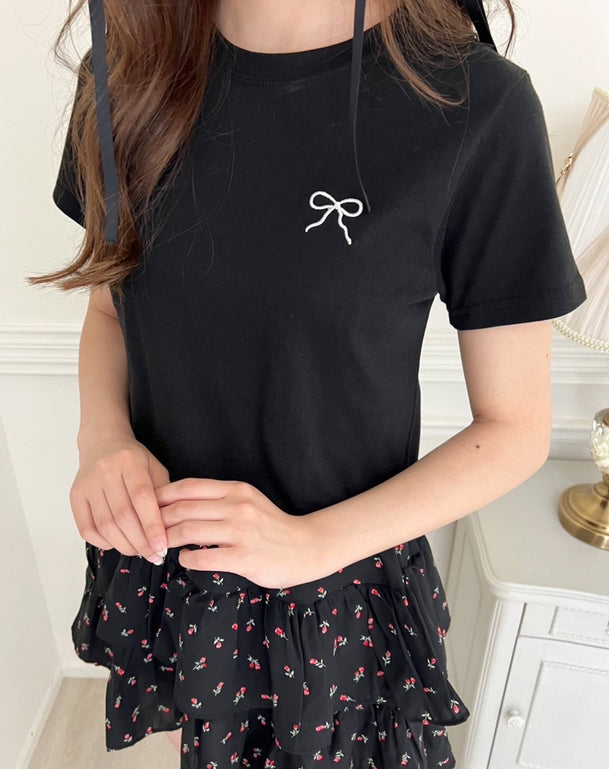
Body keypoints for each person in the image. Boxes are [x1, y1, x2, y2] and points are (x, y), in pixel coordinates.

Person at [29, 0, 587, 767]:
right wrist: (103, 438)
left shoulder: (473, 103)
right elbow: (109, 308)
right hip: (172, 569)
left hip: (333, 595)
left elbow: (515, 428)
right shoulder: (125, 71)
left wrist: (307, 544)